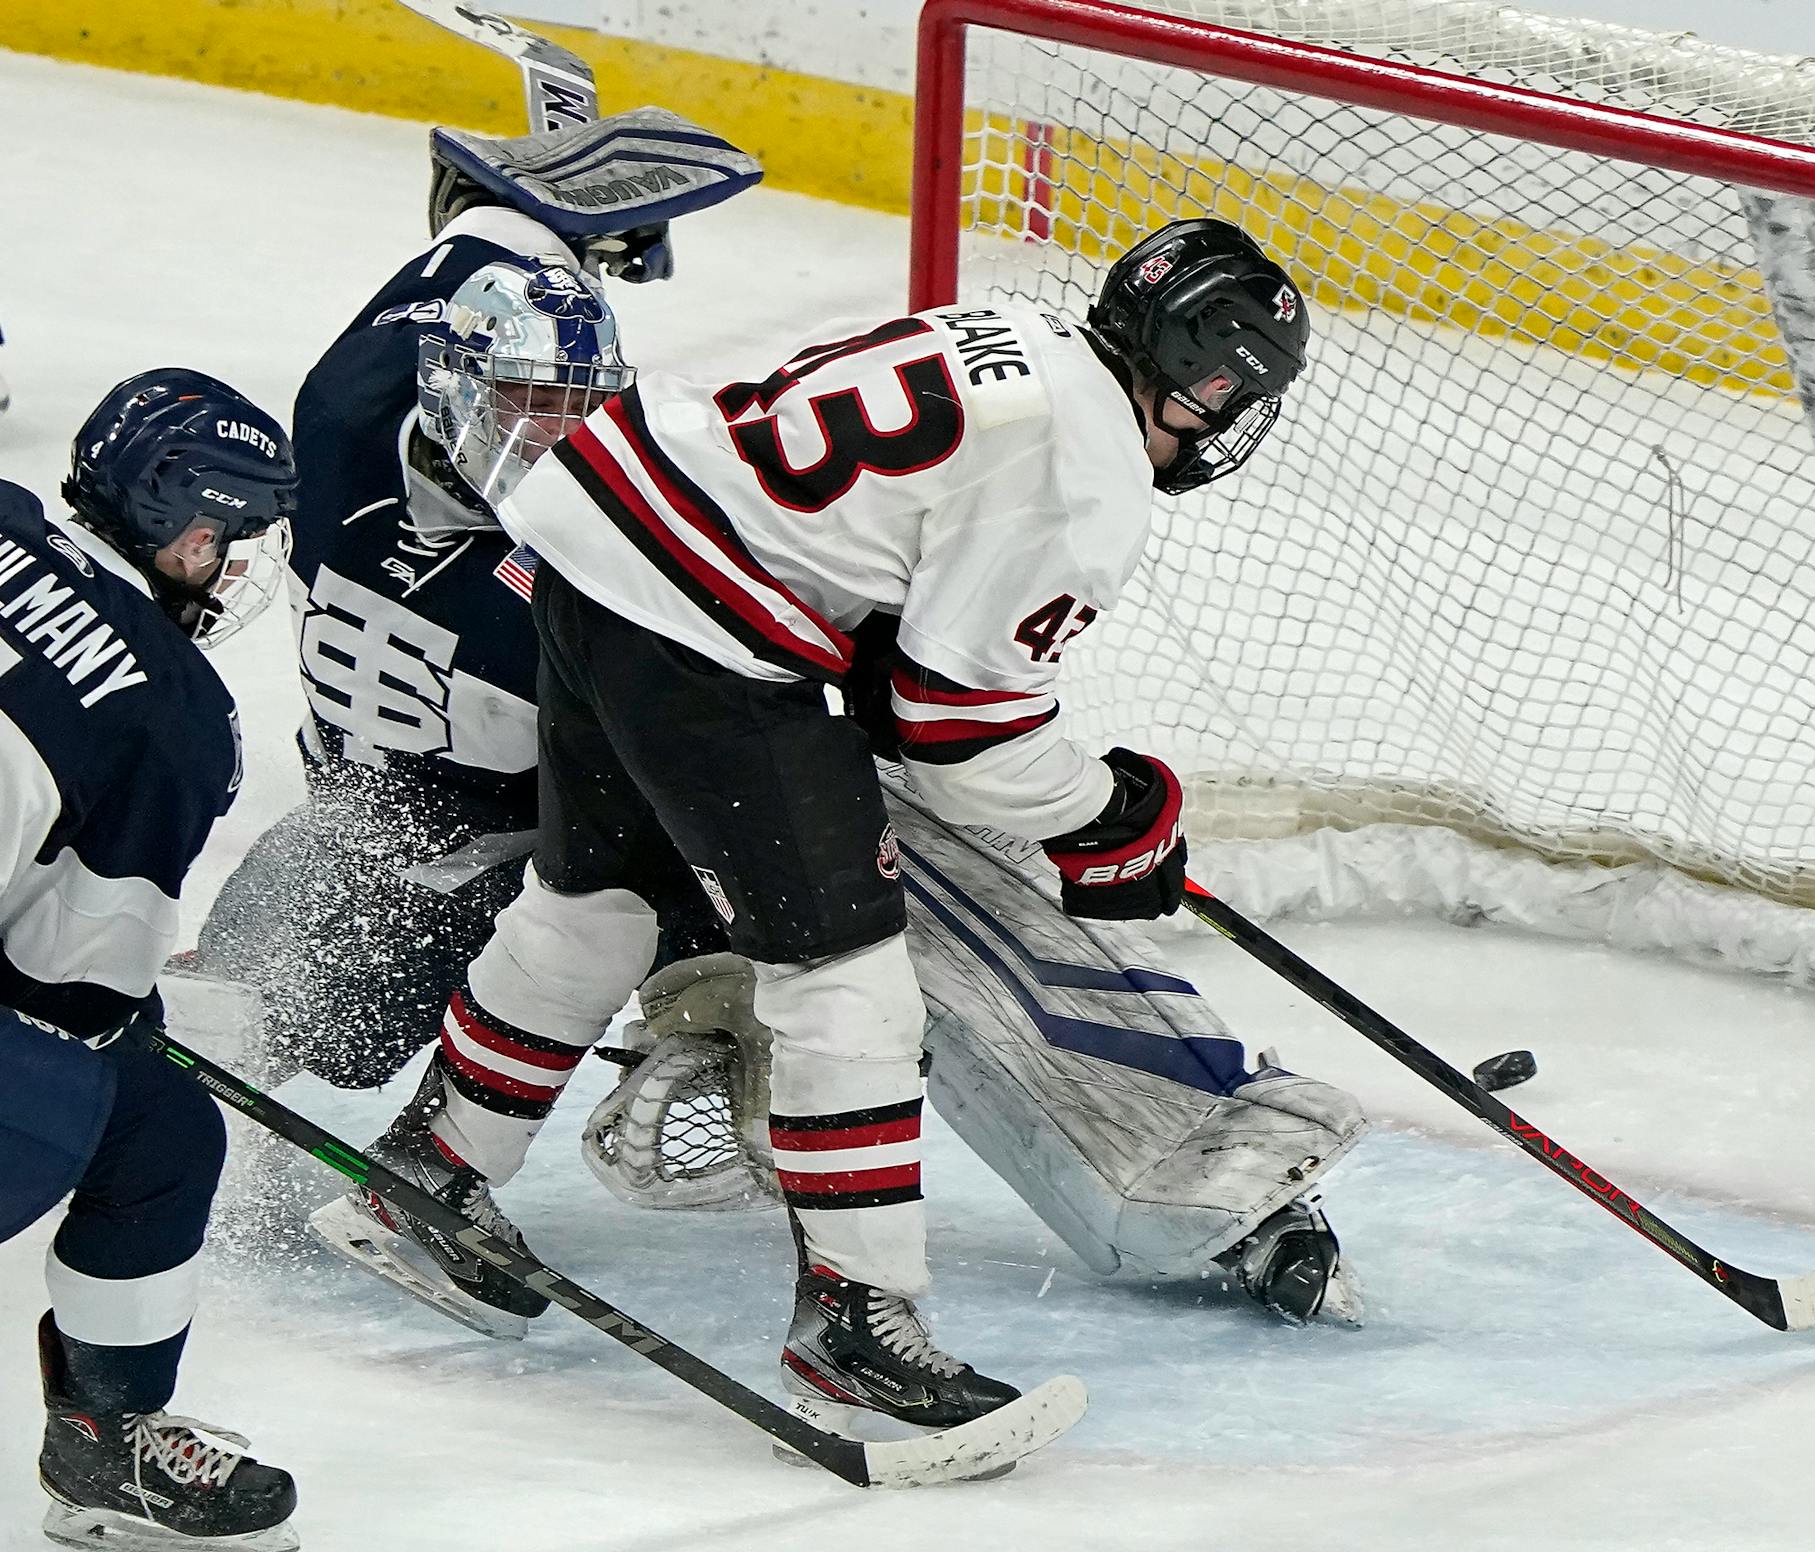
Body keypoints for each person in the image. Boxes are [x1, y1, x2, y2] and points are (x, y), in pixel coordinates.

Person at [311, 215, 1316, 1442]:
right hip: (702, 629)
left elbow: (888, 609)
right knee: (848, 984)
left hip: (592, 534)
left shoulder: (1008, 334)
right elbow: (960, 730)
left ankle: (434, 1165)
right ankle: (857, 1324)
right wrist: (1105, 811)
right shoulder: (1092, 475)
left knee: (597, 900)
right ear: (1213, 381)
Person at [187, 125, 742, 1094]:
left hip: (347, 814)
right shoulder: (567, 600)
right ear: (456, 396)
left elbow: (445, 279)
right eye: (533, 408)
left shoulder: (340, 414)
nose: (562, 439)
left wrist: (527, 229)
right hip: (465, 860)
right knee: (716, 793)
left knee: (243, 1012)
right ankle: (707, 1012)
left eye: (578, 404)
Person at [0, 370, 300, 1551]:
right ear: (187, 530)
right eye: (235, 535)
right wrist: (123, 1018)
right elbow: (69, 987)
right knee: (145, 1116)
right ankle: (107, 1435)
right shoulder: (173, 710)